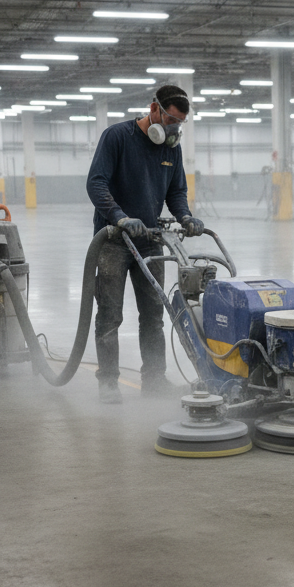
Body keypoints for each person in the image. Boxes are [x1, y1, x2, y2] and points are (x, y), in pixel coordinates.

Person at [86, 83, 205, 403]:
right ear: (154, 109)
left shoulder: (171, 148)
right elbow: (96, 183)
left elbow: (176, 191)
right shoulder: (117, 137)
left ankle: (154, 379)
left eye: (180, 123)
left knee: (153, 314)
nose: (174, 128)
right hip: (113, 240)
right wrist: (120, 217)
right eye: (171, 120)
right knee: (110, 314)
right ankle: (108, 382)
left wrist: (185, 216)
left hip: (150, 240)